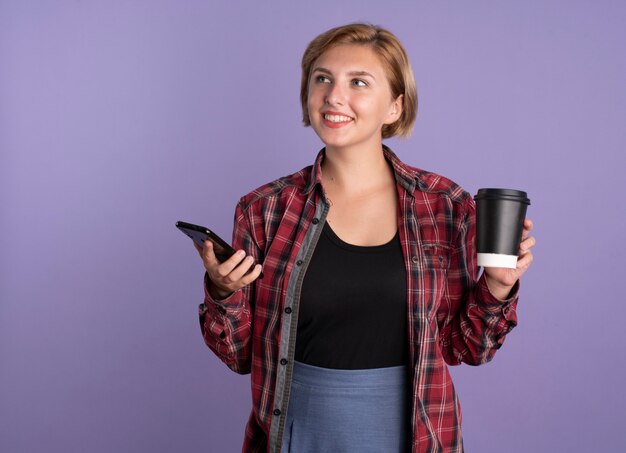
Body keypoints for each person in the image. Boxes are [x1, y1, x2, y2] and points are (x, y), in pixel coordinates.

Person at [194, 23, 536, 453]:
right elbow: (241, 357)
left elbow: (465, 347)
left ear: (395, 106)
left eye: (358, 82)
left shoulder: (445, 205)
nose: (334, 96)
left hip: (415, 434)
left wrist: (499, 287)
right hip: (297, 432)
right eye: (322, 79)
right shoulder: (264, 209)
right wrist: (223, 292)